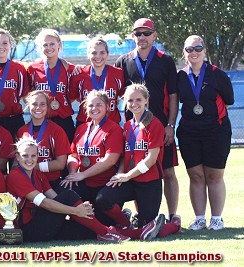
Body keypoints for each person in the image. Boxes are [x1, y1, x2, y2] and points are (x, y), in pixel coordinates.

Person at [95, 84, 181, 240]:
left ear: (146, 100)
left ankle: (174, 225)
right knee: (103, 198)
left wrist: (127, 175)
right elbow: (125, 156)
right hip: (130, 180)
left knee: (148, 231)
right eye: (130, 100)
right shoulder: (128, 125)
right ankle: (125, 223)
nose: (134, 104)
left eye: (138, 100)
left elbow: (151, 160)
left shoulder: (154, 124)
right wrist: (120, 173)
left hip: (149, 182)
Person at [115, 18, 179, 221]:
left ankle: (172, 215)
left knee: (167, 171)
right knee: (136, 169)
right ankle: (141, 216)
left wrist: (170, 124)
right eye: (138, 33)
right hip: (134, 128)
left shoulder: (165, 60)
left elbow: (173, 95)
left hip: (160, 126)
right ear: (133, 36)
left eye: (146, 33)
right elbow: (113, 90)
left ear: (154, 35)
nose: (142, 37)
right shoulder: (124, 61)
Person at [6, 136, 130, 242]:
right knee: (69, 195)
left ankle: (137, 233)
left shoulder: (38, 174)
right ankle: (107, 233)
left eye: (33, 155)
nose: (29, 159)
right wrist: (75, 211)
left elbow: (55, 198)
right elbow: (45, 203)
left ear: (38, 156)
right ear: (17, 156)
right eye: (25, 156)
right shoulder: (16, 175)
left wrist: (80, 208)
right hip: (29, 229)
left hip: (43, 223)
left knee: (87, 229)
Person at [177, 35, 234, 231]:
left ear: (204, 50)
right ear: (184, 52)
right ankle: (199, 218)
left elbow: (228, 101)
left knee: (214, 175)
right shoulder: (181, 76)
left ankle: (216, 218)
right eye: (189, 49)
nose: (194, 52)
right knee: (196, 176)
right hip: (189, 133)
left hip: (216, 131)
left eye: (197, 48)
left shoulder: (218, 75)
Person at [61, 90, 124, 226]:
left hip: (106, 183)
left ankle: (124, 221)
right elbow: (73, 155)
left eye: (99, 105)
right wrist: (72, 173)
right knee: (65, 192)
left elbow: (110, 160)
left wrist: (82, 174)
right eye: (90, 105)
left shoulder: (114, 129)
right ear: (85, 108)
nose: (94, 108)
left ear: (107, 107)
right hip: (86, 182)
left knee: (106, 220)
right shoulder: (81, 129)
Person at [27, 29, 76, 142]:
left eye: (52, 44)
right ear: (40, 47)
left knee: (65, 156)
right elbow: (28, 95)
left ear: (58, 43)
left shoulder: (70, 69)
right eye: (45, 45)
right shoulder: (33, 69)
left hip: (63, 119)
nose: (49, 48)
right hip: (41, 119)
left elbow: (72, 96)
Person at [17, 90, 70, 192]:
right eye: (34, 104)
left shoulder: (57, 130)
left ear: (47, 107)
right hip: (29, 181)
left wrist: (32, 166)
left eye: (42, 104)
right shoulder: (21, 131)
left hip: (52, 182)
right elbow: (17, 160)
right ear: (28, 106)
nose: (38, 108)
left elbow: (60, 164)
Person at [71, 37, 125, 126]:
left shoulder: (118, 73)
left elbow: (123, 96)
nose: (98, 56)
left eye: (102, 52)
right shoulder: (79, 74)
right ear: (88, 54)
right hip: (85, 123)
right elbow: (73, 97)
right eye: (94, 53)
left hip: (112, 122)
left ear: (107, 54)